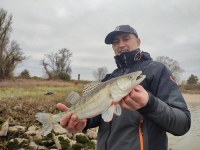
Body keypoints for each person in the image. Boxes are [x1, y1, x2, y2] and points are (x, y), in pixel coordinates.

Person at [57, 25, 191, 150]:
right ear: (113, 48)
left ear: (138, 42)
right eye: (116, 42)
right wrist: (84, 121)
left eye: (126, 39)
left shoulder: (157, 70)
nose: (121, 44)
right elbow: (101, 113)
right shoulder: (109, 78)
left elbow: (183, 123)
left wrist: (149, 103)